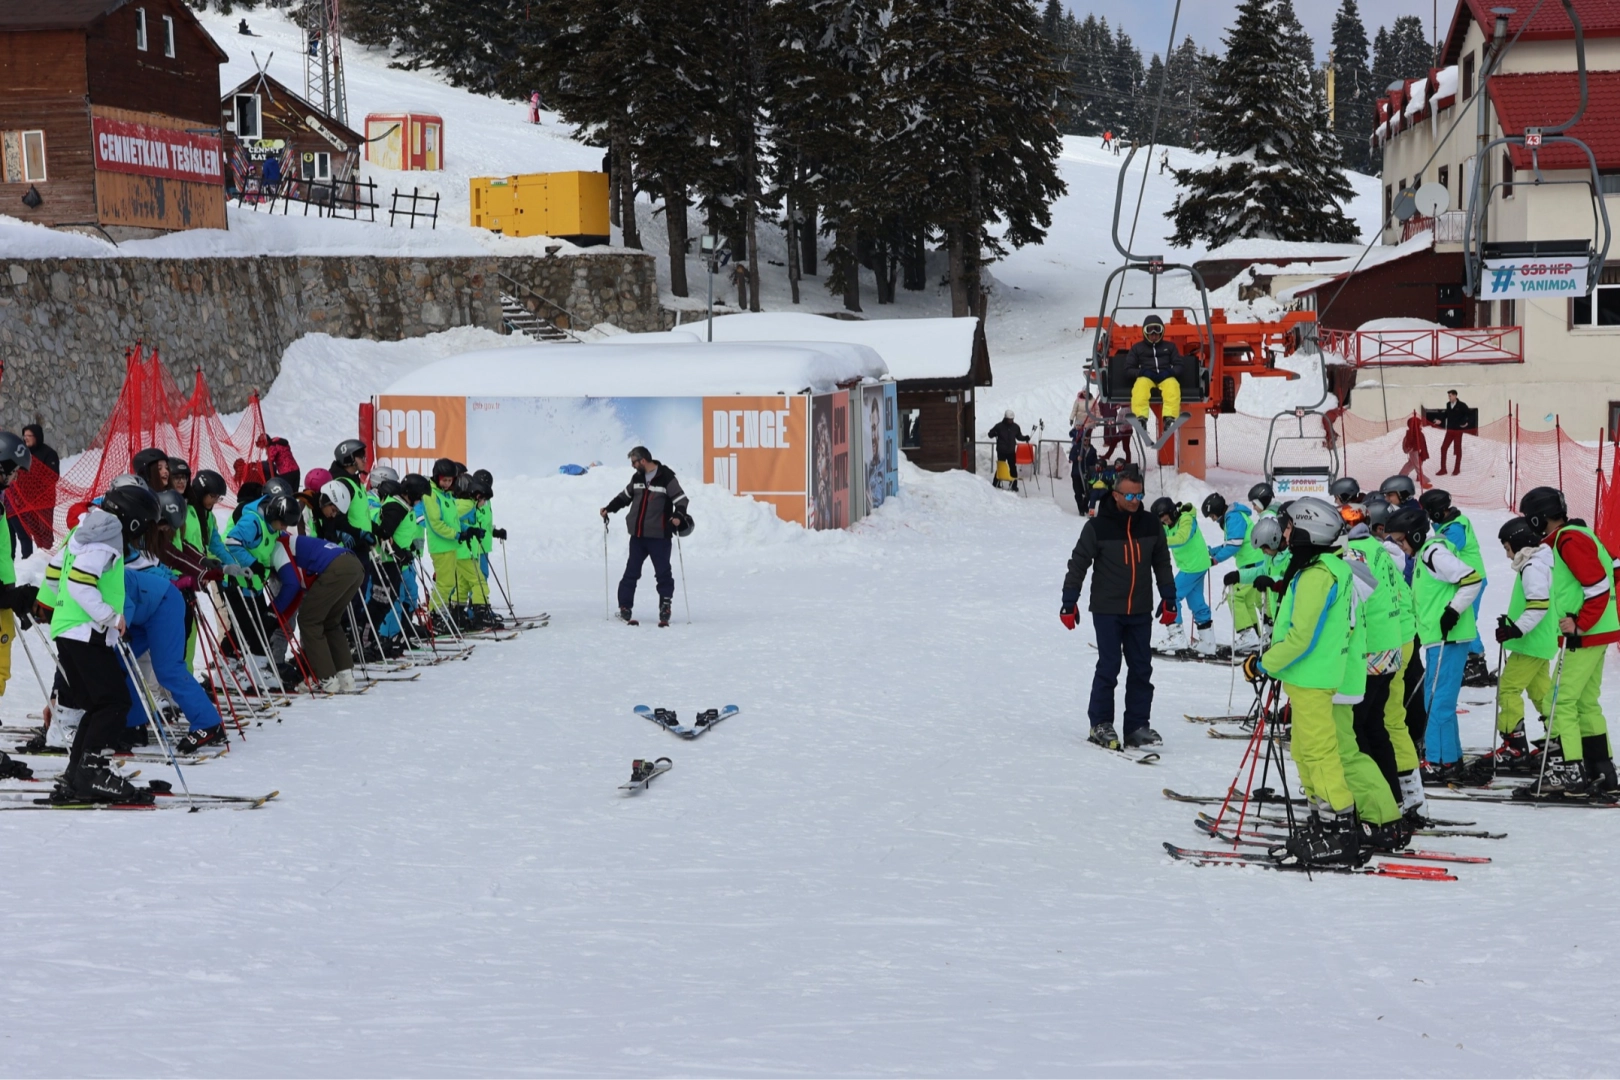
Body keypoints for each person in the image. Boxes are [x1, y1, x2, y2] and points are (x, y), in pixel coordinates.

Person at [1253, 498, 1392, 866]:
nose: (1284, 535)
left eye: (1288, 529)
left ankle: (1340, 831)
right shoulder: (1321, 567)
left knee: (1321, 753)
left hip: (1313, 676)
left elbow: (1301, 637)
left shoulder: (1319, 574)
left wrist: (1265, 663)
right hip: (1305, 676)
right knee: (1304, 751)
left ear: (1305, 531)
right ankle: (1322, 821)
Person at [1058, 463, 1177, 750]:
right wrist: (1068, 601)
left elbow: (1161, 563)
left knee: (1141, 668)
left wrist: (1169, 597)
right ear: (1115, 495)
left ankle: (1137, 725)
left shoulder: (1150, 525)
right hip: (1107, 609)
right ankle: (1100, 723)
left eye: (1139, 496)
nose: (1135, 502)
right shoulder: (1097, 527)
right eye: (1130, 496)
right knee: (1109, 666)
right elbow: (1078, 565)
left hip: (1139, 610)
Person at [1516, 486, 1620, 798]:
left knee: (1557, 702)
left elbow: (1598, 583)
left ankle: (1570, 773)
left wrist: (1580, 622)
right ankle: (1601, 768)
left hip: (1586, 634)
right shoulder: (1577, 534)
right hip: (1597, 631)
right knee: (1584, 702)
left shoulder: (1569, 539)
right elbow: (1613, 567)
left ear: (1539, 517)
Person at [50, 491, 151, 804]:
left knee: (97, 705)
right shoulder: (107, 535)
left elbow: (55, 573)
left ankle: (78, 772)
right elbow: (80, 582)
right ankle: (91, 772)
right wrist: (110, 616)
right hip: (86, 632)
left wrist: (65, 609)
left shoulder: (85, 528)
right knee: (113, 703)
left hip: (69, 628)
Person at [1343, 503, 1427, 829]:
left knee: (1358, 729)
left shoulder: (1353, 556)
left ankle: (1373, 801)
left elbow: (1350, 608)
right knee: (1377, 726)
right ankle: (1395, 796)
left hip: (1371, 651)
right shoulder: (1379, 551)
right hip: (1393, 645)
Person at [1385, 503, 1481, 783]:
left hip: (1448, 638)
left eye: (1401, 540)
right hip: (1438, 640)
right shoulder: (1425, 555)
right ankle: (1450, 757)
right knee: (1437, 700)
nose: (1400, 546)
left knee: (1438, 702)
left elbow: (1471, 579)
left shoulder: (1433, 553)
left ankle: (1442, 762)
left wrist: (1453, 610)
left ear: (1415, 535)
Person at [1472, 516, 1557, 778]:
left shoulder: (1532, 566)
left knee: (1507, 689)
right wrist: (1511, 624)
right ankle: (1558, 740)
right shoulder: (1539, 563)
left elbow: (1538, 604)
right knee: (1541, 691)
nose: (1508, 555)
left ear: (1520, 543)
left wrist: (1515, 629)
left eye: (1508, 548)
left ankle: (1514, 747)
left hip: (1530, 642)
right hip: (1538, 641)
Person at [265, 499, 367, 694]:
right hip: (353, 566)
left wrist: (273, 611)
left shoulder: (278, 546)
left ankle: (326, 678)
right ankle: (346, 677)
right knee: (330, 621)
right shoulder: (294, 544)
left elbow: (292, 584)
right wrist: (280, 615)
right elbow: (297, 592)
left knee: (309, 621)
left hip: (337, 569)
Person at [601, 446, 690, 628]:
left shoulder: (666, 477)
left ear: (643, 460)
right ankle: (625, 606)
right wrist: (609, 508)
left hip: (659, 537)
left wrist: (678, 517)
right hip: (638, 536)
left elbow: (681, 500)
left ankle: (665, 606)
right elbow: (624, 497)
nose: (632, 466)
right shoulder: (637, 478)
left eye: (634, 462)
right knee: (631, 573)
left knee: (663, 574)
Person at [1419, 489, 1491, 686]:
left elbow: (1446, 552)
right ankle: (1471, 662)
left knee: (1468, 621)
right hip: (1464, 579)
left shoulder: (1455, 528)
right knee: (1466, 620)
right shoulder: (1448, 525)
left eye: (1427, 512)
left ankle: (1476, 663)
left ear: (1436, 511)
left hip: (1471, 580)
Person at [1154, 497, 1215, 655]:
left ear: (1173, 512)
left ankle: (1177, 637)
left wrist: (1160, 540)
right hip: (1195, 566)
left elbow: (1182, 538)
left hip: (1193, 566)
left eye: (1166, 519)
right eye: (1163, 521)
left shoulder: (1186, 519)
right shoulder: (1168, 524)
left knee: (1172, 596)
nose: (1166, 523)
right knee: (1196, 602)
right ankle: (1207, 642)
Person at [1207, 491, 1265, 655]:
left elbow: (1234, 546)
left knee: (1234, 595)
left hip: (1253, 565)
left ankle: (1248, 635)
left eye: (1212, 516)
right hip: (1253, 563)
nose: (1213, 520)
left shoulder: (1233, 517)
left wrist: (1215, 560)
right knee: (1246, 600)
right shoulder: (1233, 516)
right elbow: (1230, 543)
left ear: (1217, 511)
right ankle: (1255, 637)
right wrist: (1212, 552)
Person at [1126, 314, 1186, 432]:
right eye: (1150, 331)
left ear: (1162, 331)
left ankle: (1169, 417)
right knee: (1140, 387)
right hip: (1147, 377)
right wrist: (1143, 372)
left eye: (1157, 330)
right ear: (1145, 332)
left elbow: (1179, 365)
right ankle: (1141, 417)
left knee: (1173, 386)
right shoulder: (1138, 348)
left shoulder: (1170, 347)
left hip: (1165, 376)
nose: (1154, 334)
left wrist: (1169, 372)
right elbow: (1128, 369)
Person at [20, 423, 57, 547]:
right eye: (24, 436)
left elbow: (53, 476)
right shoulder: (23, 453)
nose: (26, 438)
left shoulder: (48, 453)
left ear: (37, 437)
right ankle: (40, 551)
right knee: (34, 529)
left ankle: (48, 552)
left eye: (29, 435)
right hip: (28, 499)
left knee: (45, 529)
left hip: (44, 499)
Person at [986, 411, 1029, 492]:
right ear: (1005, 418)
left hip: (1011, 451)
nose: (1011, 421)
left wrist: (1025, 438)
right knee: (1001, 467)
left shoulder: (1016, 427)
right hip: (1001, 451)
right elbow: (990, 434)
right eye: (1009, 419)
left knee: (1013, 467)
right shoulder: (999, 426)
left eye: (1012, 419)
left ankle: (1013, 485)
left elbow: (1018, 436)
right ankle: (996, 483)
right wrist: (994, 433)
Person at [1436, 390, 1469, 476]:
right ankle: (1443, 469)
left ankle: (1457, 469)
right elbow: (1446, 414)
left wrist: (1465, 422)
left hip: (1458, 431)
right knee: (1443, 448)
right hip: (1450, 430)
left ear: (1455, 396)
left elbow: (1468, 415)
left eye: (1450, 396)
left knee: (1458, 450)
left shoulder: (1462, 405)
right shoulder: (1448, 404)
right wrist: (1440, 420)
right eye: (1449, 396)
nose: (1449, 397)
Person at [1067, 429, 1097, 516]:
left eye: (1088, 439)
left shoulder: (1092, 450)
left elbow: (1094, 460)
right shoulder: (1077, 448)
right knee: (1078, 492)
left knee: (1088, 492)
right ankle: (1081, 508)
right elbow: (1071, 457)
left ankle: (1085, 506)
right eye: (1085, 439)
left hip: (1087, 474)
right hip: (1077, 473)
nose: (1086, 441)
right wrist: (1077, 458)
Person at [1398, 414, 1430, 488]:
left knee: (1413, 463)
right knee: (1417, 465)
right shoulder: (1411, 434)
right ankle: (1423, 482)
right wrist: (1412, 448)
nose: (1421, 425)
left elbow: (1422, 442)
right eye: (1419, 424)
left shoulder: (1419, 432)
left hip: (1418, 451)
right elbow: (1409, 443)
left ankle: (1402, 474)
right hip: (1414, 451)